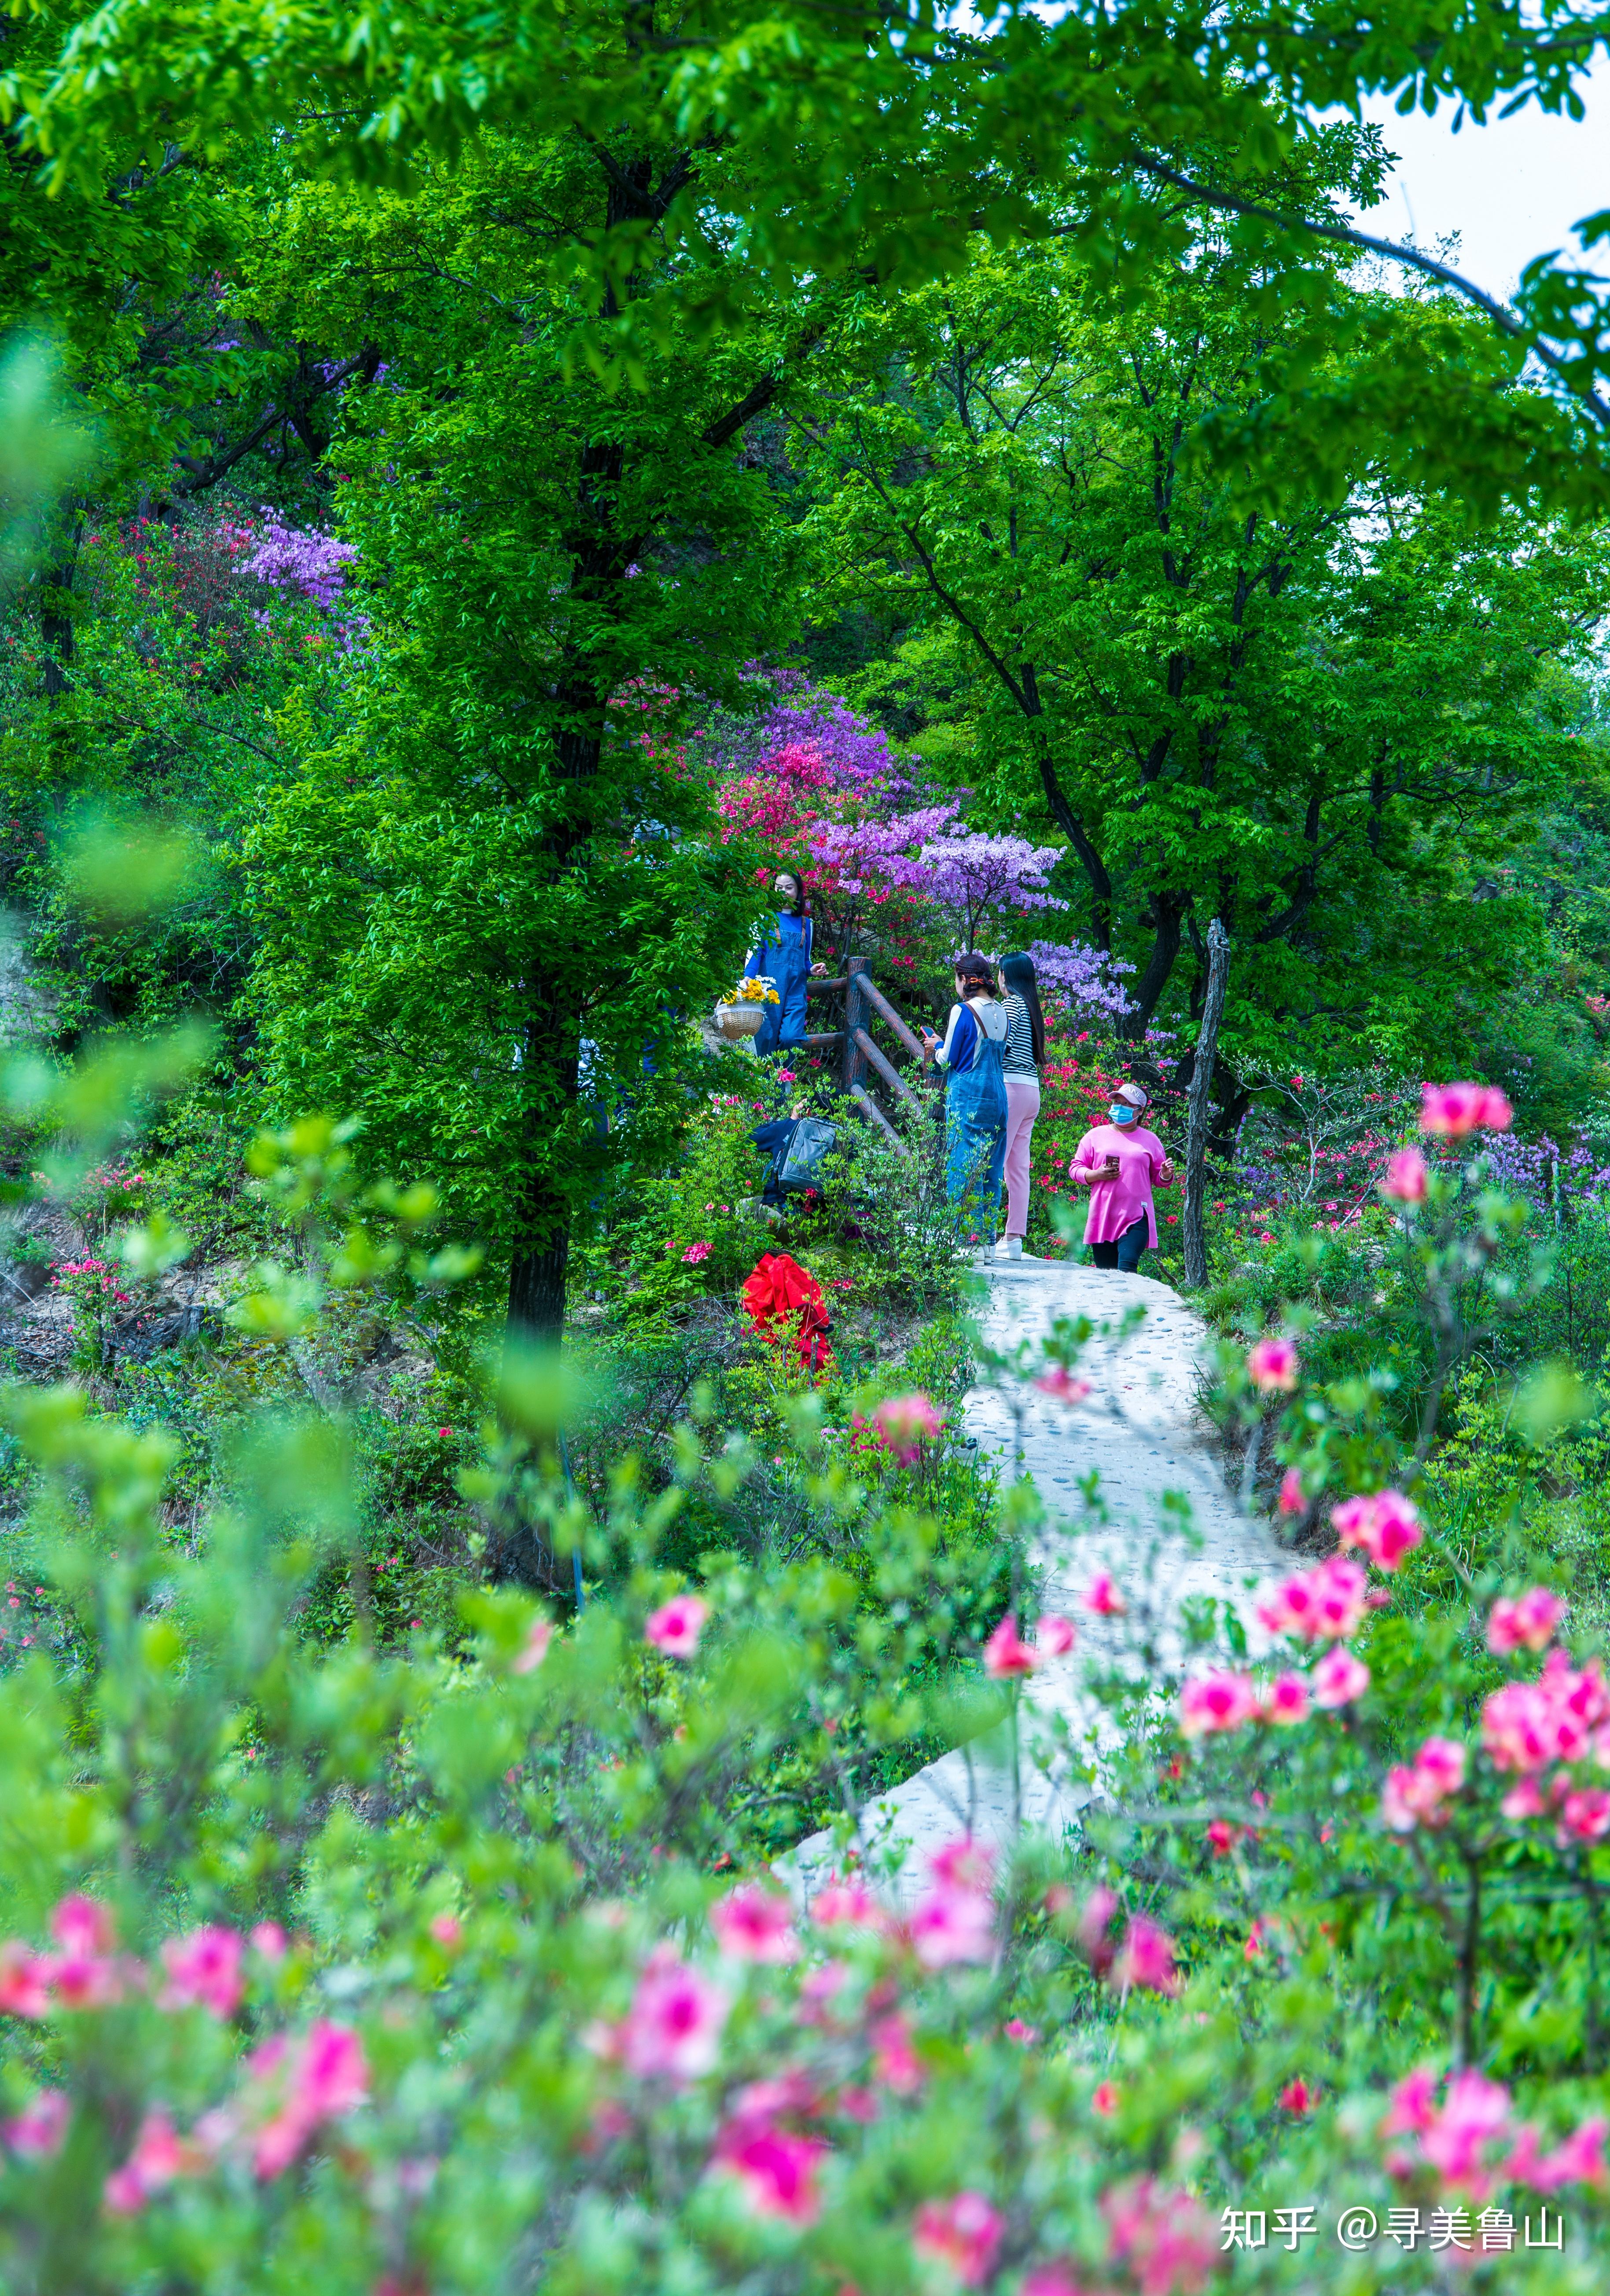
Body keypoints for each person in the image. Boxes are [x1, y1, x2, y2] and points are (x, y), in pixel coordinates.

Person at [919, 953, 1009, 1231]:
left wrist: (935, 1046)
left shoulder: (963, 1010)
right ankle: (987, 1243)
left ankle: (968, 1241)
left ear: (963, 979)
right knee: (991, 1170)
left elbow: (949, 1059)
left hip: (969, 1095)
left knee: (964, 1167)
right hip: (998, 1096)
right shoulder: (1002, 1010)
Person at [1070, 1080, 1173, 1272]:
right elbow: (1075, 1169)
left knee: (1127, 1267)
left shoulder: (1151, 1140)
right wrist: (1096, 1174)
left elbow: (1160, 1179)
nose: (1120, 1108)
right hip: (1103, 1214)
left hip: (1136, 1215)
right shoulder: (1095, 1136)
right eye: (1117, 1102)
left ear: (1140, 1111)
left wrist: (1166, 1175)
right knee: (1107, 1274)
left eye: (1127, 1105)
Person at [995, 950, 1045, 1261]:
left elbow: (1001, 1046)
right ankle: (1013, 1240)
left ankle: (980, 1234)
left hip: (1011, 1085)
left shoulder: (1010, 1005)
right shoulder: (1031, 1006)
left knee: (992, 1160)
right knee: (1017, 1168)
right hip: (1031, 1089)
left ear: (1006, 976)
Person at [743, 867, 826, 1056]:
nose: (783, 892)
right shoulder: (763, 919)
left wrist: (812, 969)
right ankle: (766, 1084)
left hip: (795, 993)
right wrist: (748, 978)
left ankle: (784, 1081)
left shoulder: (807, 924)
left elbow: (805, 961)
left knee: (792, 1037)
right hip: (767, 992)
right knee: (765, 1040)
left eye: (789, 888)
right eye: (778, 887)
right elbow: (755, 953)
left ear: (798, 891)